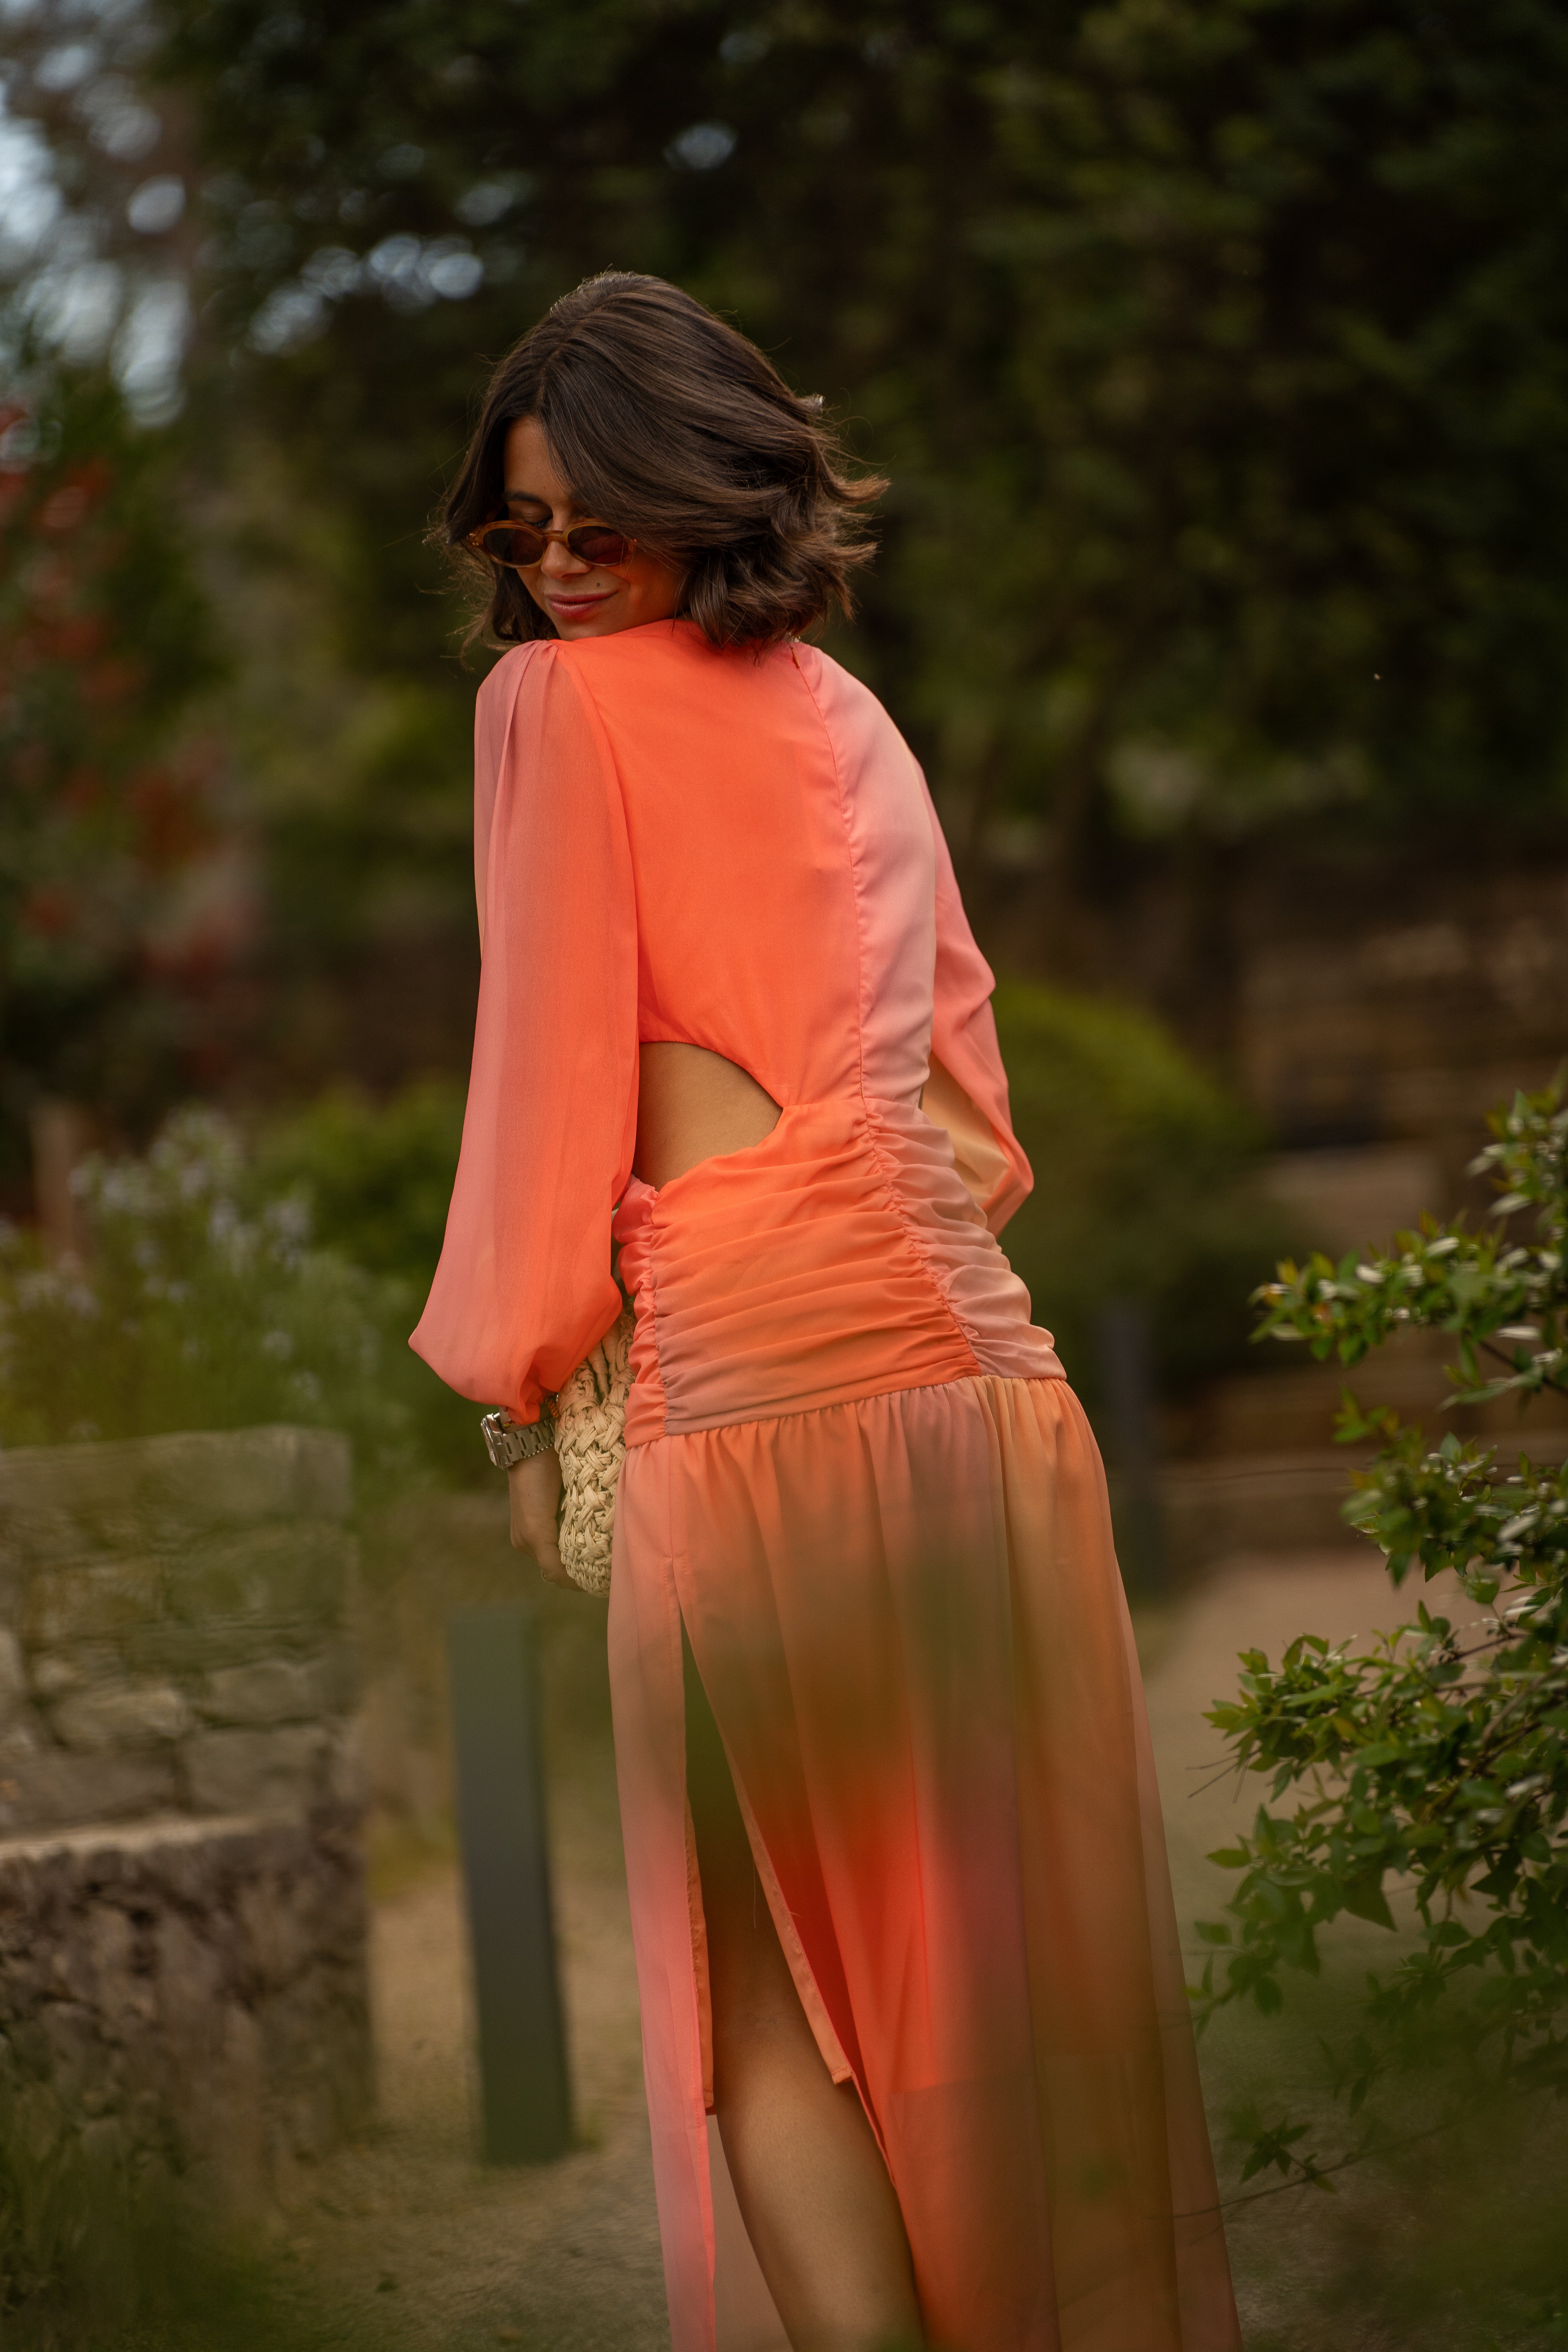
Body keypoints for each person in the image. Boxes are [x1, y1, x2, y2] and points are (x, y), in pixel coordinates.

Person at [413, 271, 1240, 2352]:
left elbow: (544, 1090)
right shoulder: (855, 717)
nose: (561, 568)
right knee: (1000, 1995)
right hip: (987, 1382)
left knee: (758, 1988)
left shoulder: (549, 712)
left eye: (600, 520)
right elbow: (973, 1115)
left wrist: (521, 1399)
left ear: (701, 488)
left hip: (751, 1382)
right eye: (524, 528)